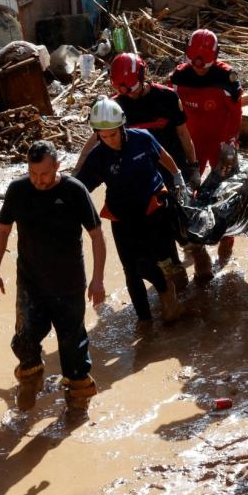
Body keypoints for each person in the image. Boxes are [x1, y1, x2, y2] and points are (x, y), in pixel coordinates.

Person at [0, 140, 106, 414]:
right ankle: (30, 377)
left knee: (72, 344)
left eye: (44, 174)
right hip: (31, 282)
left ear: (57, 166)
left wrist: (98, 279)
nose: (38, 181)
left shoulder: (74, 191)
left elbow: (97, 236)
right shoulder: (18, 190)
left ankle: (78, 396)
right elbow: (2, 231)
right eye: (33, 174)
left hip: (69, 283)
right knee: (24, 338)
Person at [74, 53, 198, 289]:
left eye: (131, 87)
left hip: (170, 167)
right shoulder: (116, 105)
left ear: (143, 76)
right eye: (121, 89)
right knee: (158, 234)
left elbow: (184, 134)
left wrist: (192, 169)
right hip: (142, 175)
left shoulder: (168, 98)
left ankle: (200, 262)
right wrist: (76, 171)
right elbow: (95, 141)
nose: (127, 93)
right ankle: (174, 278)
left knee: (184, 226)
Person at [76, 97, 186, 330]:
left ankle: (171, 296)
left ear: (122, 127)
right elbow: (81, 187)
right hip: (122, 215)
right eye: (102, 137)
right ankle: (144, 318)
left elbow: (163, 156)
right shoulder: (98, 156)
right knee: (131, 268)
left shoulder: (142, 139)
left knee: (162, 259)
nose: (109, 141)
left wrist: (177, 177)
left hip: (153, 208)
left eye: (113, 135)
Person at [171, 29, 243, 268]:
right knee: (186, 191)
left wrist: (230, 144)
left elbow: (236, 114)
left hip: (221, 145)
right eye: (194, 62)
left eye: (205, 63)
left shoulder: (227, 78)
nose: (200, 67)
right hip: (192, 145)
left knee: (226, 193)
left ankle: (226, 241)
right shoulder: (180, 77)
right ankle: (193, 242)